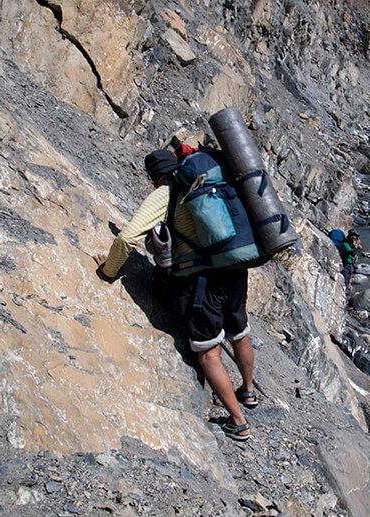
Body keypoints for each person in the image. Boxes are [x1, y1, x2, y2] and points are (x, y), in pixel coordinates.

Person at [93, 146, 257, 441]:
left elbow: (128, 236)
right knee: (239, 332)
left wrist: (109, 271)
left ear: (155, 177)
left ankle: (238, 422)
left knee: (208, 352)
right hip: (235, 268)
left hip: (202, 283)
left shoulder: (165, 194)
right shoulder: (209, 184)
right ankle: (247, 391)